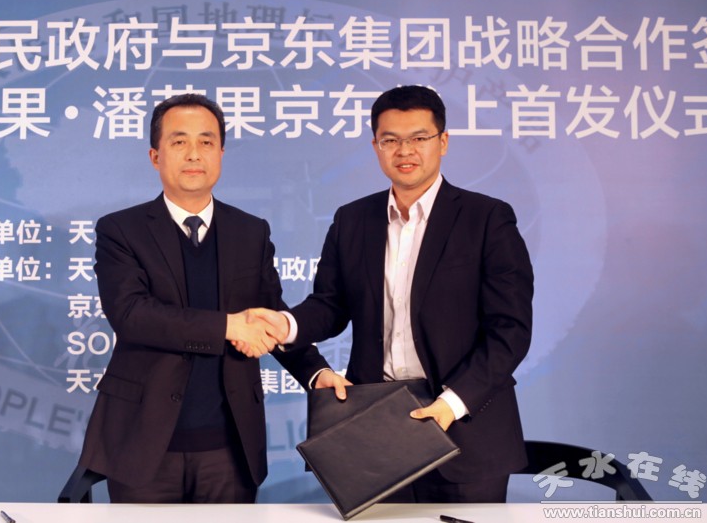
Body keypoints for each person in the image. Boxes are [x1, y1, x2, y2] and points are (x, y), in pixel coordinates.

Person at [276, 85, 534, 503]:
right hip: (377, 429)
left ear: (443, 142)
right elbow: (329, 306)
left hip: (466, 427)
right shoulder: (352, 220)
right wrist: (284, 325)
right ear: (376, 146)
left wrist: (451, 404)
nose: (405, 151)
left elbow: (510, 331)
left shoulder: (486, 218)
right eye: (390, 140)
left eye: (419, 138)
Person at [74, 93, 315, 504]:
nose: (193, 154)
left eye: (206, 142)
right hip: (143, 445)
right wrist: (229, 326)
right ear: (155, 155)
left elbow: (270, 316)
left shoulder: (250, 231)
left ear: (221, 153)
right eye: (179, 141)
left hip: (230, 447)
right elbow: (132, 314)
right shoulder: (121, 230)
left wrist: (316, 372)